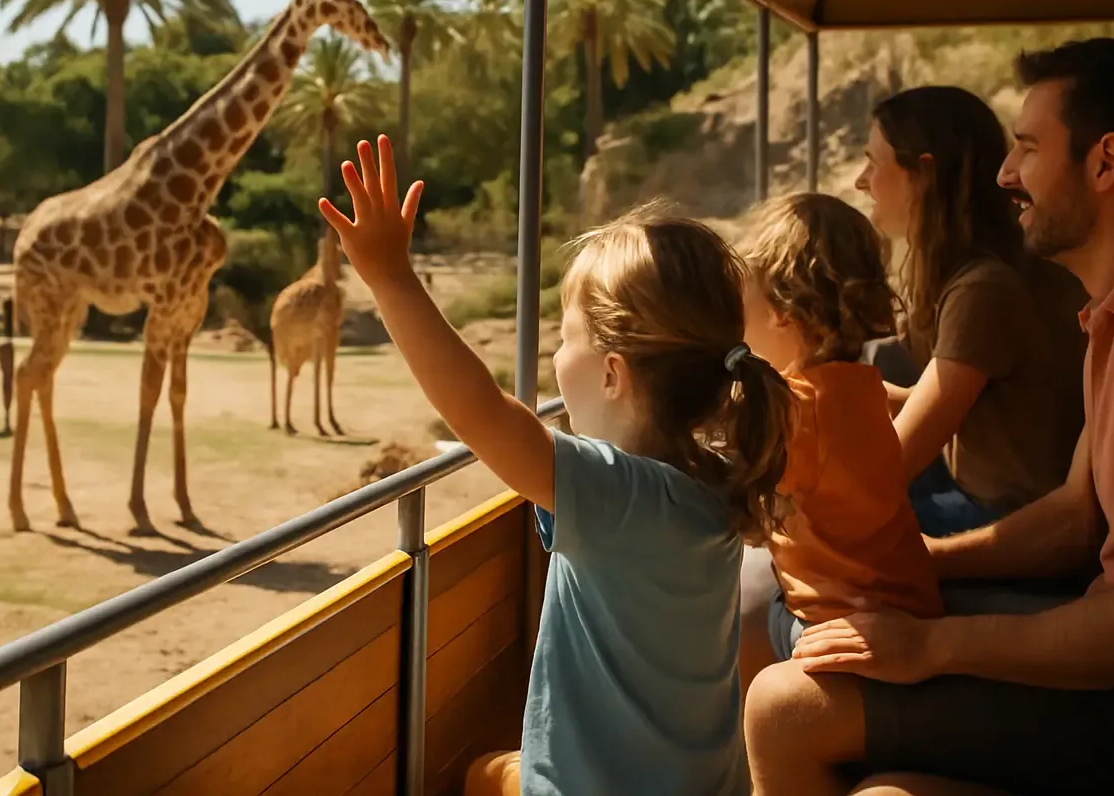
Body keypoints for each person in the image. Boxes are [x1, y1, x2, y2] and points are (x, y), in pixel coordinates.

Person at [743, 38, 1114, 796]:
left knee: (785, 708)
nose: (1007, 176)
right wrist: (914, 568)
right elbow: (1076, 519)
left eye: (1029, 149)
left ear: (1106, 163)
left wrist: (935, 647)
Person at [320, 135, 793, 796]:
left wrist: (390, 278)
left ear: (611, 374)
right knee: (489, 773)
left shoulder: (618, 494)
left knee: (482, 775)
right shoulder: (709, 479)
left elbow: (483, 413)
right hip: (700, 783)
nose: (553, 358)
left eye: (565, 337)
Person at [855, 86, 1088, 537]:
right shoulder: (994, 266)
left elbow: (898, 461)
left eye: (873, 162)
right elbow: (954, 406)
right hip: (977, 487)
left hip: (1004, 513)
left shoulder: (984, 290)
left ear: (923, 174)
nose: (861, 180)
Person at [734, 193, 942, 688]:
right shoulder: (862, 386)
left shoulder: (793, 410)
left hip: (837, 624)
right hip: (906, 603)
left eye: (742, 295)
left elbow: (742, 516)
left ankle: (738, 751)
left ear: (782, 310)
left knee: (730, 614)